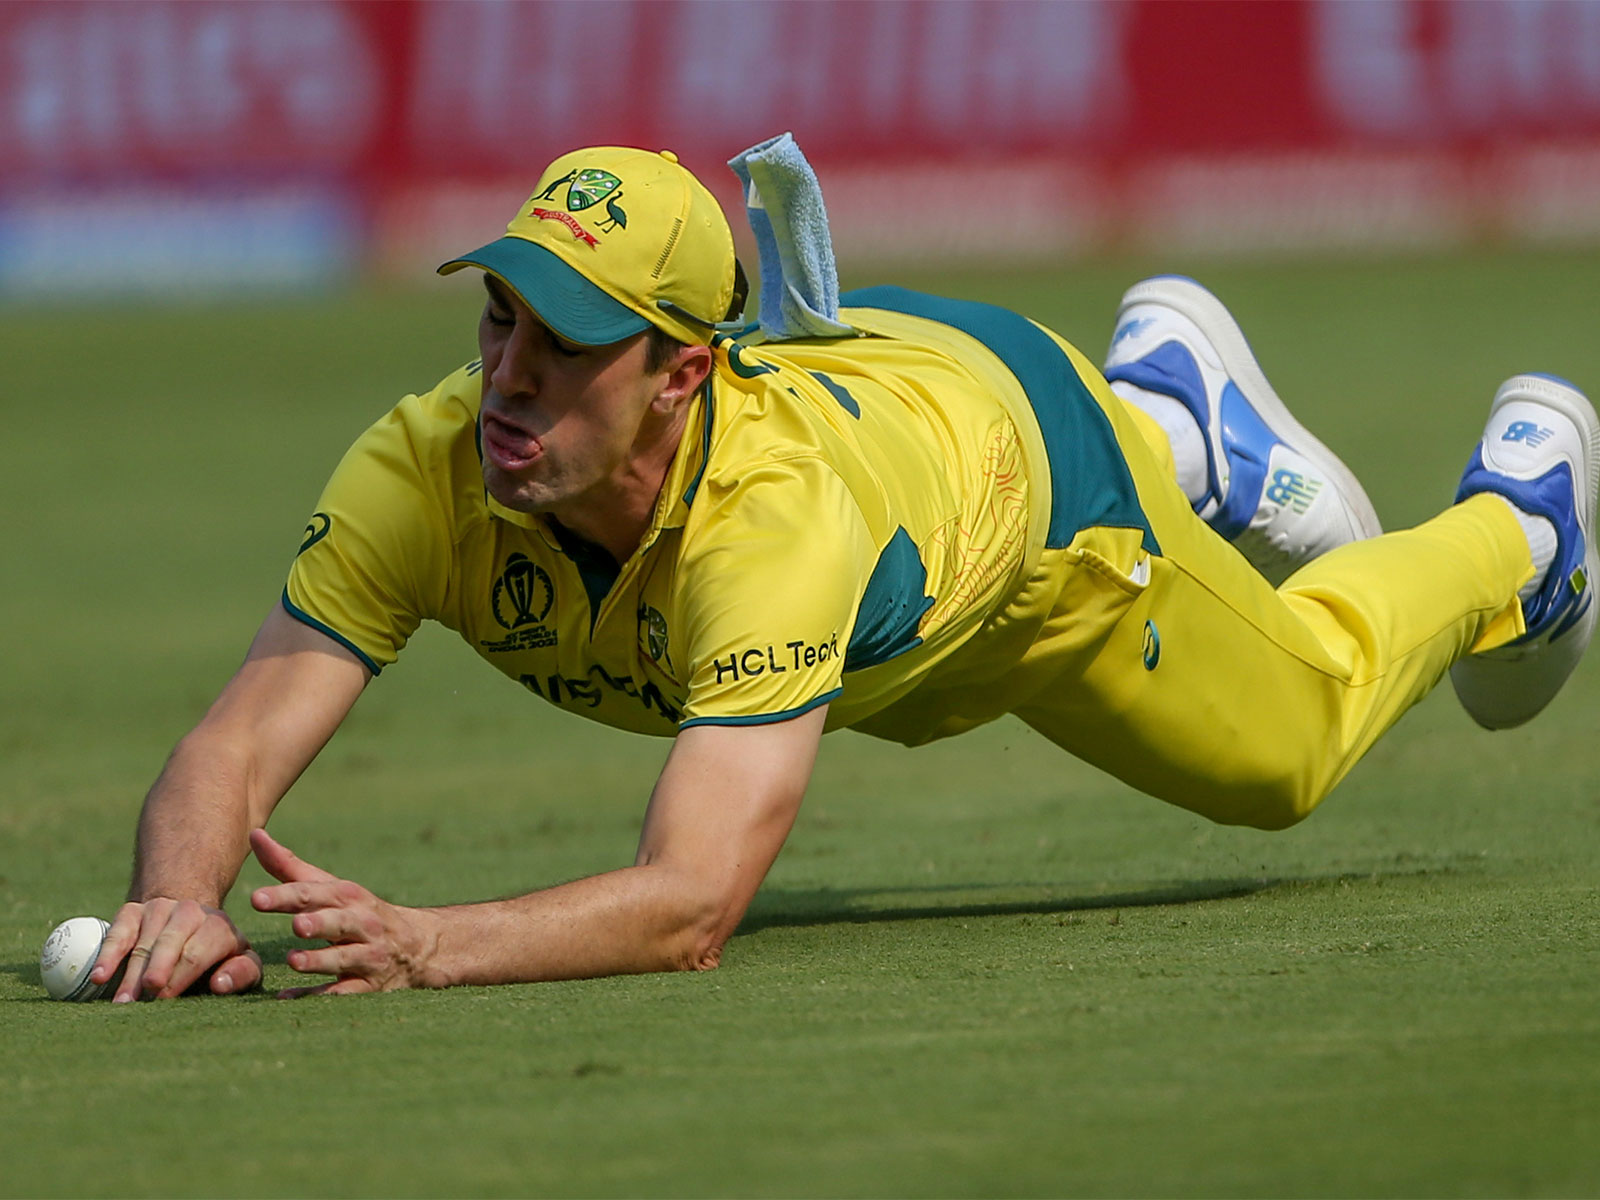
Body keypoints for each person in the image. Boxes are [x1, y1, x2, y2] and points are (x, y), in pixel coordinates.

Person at [90, 146, 1597, 1001]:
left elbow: (691, 905)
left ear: (680, 375)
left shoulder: (773, 528)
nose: (508, 376)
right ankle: (1178, 414)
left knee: (1292, 751)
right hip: (890, 396)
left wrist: (432, 944)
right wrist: (176, 904)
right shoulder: (427, 464)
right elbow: (238, 739)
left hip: (1037, 506)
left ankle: (1522, 526)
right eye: (498, 318)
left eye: (567, 344)